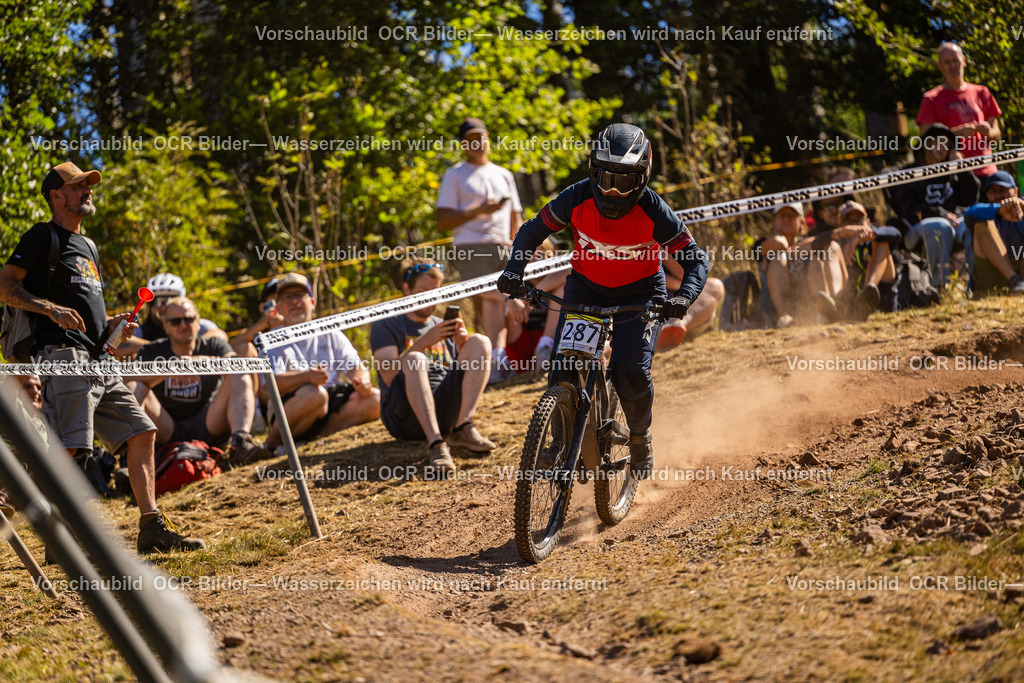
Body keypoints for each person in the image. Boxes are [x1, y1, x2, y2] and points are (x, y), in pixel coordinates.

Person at [0, 162, 203, 553]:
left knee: (142, 432)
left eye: (87, 185)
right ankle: (54, 535)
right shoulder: (42, 236)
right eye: (78, 186)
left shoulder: (89, 246)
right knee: (71, 447)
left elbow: (88, 313)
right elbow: (6, 286)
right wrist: (49, 309)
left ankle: (151, 528)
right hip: (63, 357)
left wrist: (112, 326)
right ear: (56, 196)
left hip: (100, 359)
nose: (87, 191)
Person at [497, 123, 709, 479]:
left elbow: (695, 259)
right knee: (563, 365)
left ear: (641, 179)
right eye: (605, 178)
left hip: (641, 293)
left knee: (631, 373)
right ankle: (560, 441)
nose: (612, 190)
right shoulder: (575, 197)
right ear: (592, 171)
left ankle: (640, 437)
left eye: (624, 181)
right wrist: (514, 272)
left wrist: (684, 296)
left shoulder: (654, 210)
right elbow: (532, 231)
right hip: (586, 288)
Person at [370, 260, 495, 476]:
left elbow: (461, 376)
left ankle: (463, 428)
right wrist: (424, 342)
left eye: (435, 291)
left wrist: (462, 343)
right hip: (404, 415)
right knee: (415, 359)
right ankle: (436, 444)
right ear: (407, 289)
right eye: (423, 290)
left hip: (444, 408)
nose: (431, 296)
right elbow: (389, 375)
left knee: (480, 342)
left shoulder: (440, 323)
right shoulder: (386, 324)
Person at [132, 296, 269, 465]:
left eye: (188, 319)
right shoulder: (151, 350)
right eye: (175, 321)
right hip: (166, 428)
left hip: (209, 423)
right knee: (135, 385)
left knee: (238, 372)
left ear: (198, 322)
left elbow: (238, 364)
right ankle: (130, 458)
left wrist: (198, 362)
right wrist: (170, 369)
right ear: (165, 326)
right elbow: (130, 378)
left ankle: (241, 444)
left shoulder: (213, 345)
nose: (183, 325)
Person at [436, 117, 524, 383]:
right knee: (483, 301)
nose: (477, 142)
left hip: (505, 247)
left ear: (487, 137)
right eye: (470, 139)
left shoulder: (504, 174)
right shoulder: (455, 175)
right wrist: (479, 211)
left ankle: (507, 360)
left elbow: (516, 217)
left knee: (512, 302)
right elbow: (442, 221)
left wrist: (520, 247)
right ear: (463, 144)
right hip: (471, 247)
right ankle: (485, 368)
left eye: (480, 136)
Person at [260, 273, 380, 452]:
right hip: (295, 405)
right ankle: (270, 445)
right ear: (278, 308)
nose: (295, 302)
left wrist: (362, 381)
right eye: (287, 297)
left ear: (312, 302)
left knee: (375, 399)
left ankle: (315, 439)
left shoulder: (330, 331)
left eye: (300, 295)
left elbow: (355, 367)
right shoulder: (270, 340)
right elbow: (271, 384)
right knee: (315, 395)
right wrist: (306, 377)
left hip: (331, 404)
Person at [888, 123, 979, 286]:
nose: (941, 147)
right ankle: (939, 288)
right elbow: (907, 210)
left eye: (947, 144)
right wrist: (939, 213)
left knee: (975, 222)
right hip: (918, 230)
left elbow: (970, 199)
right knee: (939, 225)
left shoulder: (951, 173)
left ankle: (976, 283)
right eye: (936, 142)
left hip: (953, 225)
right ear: (925, 145)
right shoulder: (909, 173)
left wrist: (962, 168)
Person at [917, 42, 1002, 177]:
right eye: (947, 62)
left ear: (964, 61)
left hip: (988, 172)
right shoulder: (931, 99)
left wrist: (988, 132)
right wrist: (955, 135)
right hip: (954, 176)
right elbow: (926, 142)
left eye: (955, 60)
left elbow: (997, 134)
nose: (952, 66)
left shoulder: (982, 92)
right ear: (940, 66)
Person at [117, 273, 228, 356]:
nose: (164, 307)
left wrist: (193, 348)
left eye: (171, 300)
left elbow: (220, 335)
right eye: (158, 302)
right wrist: (163, 348)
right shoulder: (141, 331)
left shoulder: (193, 323)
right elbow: (120, 345)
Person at [962, 171, 1024, 295]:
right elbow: (969, 213)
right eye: (992, 191)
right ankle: (1015, 281)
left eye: (1002, 190)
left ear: (1015, 191)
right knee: (982, 224)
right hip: (995, 274)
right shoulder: (984, 210)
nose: (998, 195)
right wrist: (1000, 211)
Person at [658, 262, 724, 349]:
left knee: (714, 285)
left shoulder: (663, 251)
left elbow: (684, 276)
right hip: (652, 317)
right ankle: (663, 334)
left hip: (688, 314)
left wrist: (661, 250)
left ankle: (677, 327)